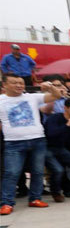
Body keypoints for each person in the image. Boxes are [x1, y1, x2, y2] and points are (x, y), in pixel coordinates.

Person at [0, 75, 59, 214]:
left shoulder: (32, 97)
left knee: (37, 172)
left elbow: (56, 96)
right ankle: (6, 203)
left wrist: (50, 86)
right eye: (14, 83)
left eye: (21, 83)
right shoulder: (1, 100)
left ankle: (35, 198)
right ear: (4, 85)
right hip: (13, 142)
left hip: (38, 140)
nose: (19, 85)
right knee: (11, 173)